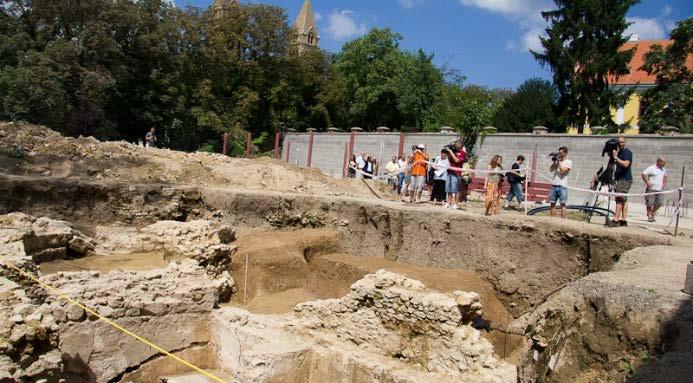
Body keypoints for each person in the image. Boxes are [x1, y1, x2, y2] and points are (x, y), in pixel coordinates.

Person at [610, 136, 633, 227]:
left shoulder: (627, 152)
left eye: (622, 142)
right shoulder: (619, 152)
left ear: (625, 142)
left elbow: (626, 164)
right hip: (619, 178)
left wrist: (616, 158)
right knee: (624, 200)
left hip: (624, 179)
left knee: (619, 199)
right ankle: (623, 220)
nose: (620, 144)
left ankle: (615, 220)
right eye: (619, 142)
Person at [641, 157, 667, 222]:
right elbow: (643, 174)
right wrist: (647, 183)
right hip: (651, 189)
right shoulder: (651, 168)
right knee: (650, 203)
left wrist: (663, 185)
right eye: (663, 163)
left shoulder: (663, 169)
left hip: (659, 190)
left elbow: (665, 176)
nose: (664, 164)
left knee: (660, 203)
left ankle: (651, 213)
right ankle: (650, 216)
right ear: (659, 162)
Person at [549, 146, 572, 219]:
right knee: (552, 203)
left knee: (563, 204)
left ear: (565, 153)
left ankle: (563, 221)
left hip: (562, 186)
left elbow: (563, 171)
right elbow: (551, 169)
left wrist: (559, 162)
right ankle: (553, 220)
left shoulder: (568, 162)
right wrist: (554, 162)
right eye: (559, 153)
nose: (559, 154)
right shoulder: (557, 161)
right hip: (554, 184)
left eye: (561, 153)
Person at [445, 141, 466, 209]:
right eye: (455, 144)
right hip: (450, 171)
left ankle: (456, 204)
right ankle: (448, 203)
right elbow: (449, 160)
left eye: (458, 144)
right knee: (449, 189)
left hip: (456, 173)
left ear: (461, 145)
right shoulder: (453, 151)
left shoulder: (463, 153)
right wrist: (449, 153)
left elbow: (457, 161)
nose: (456, 145)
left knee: (456, 189)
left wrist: (451, 152)